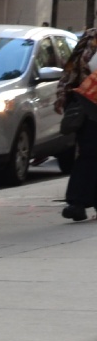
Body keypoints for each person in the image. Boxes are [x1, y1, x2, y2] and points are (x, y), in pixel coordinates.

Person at [54, 26, 97, 221]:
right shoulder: (90, 37)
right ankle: (76, 203)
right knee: (88, 152)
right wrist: (63, 94)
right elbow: (71, 68)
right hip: (88, 105)